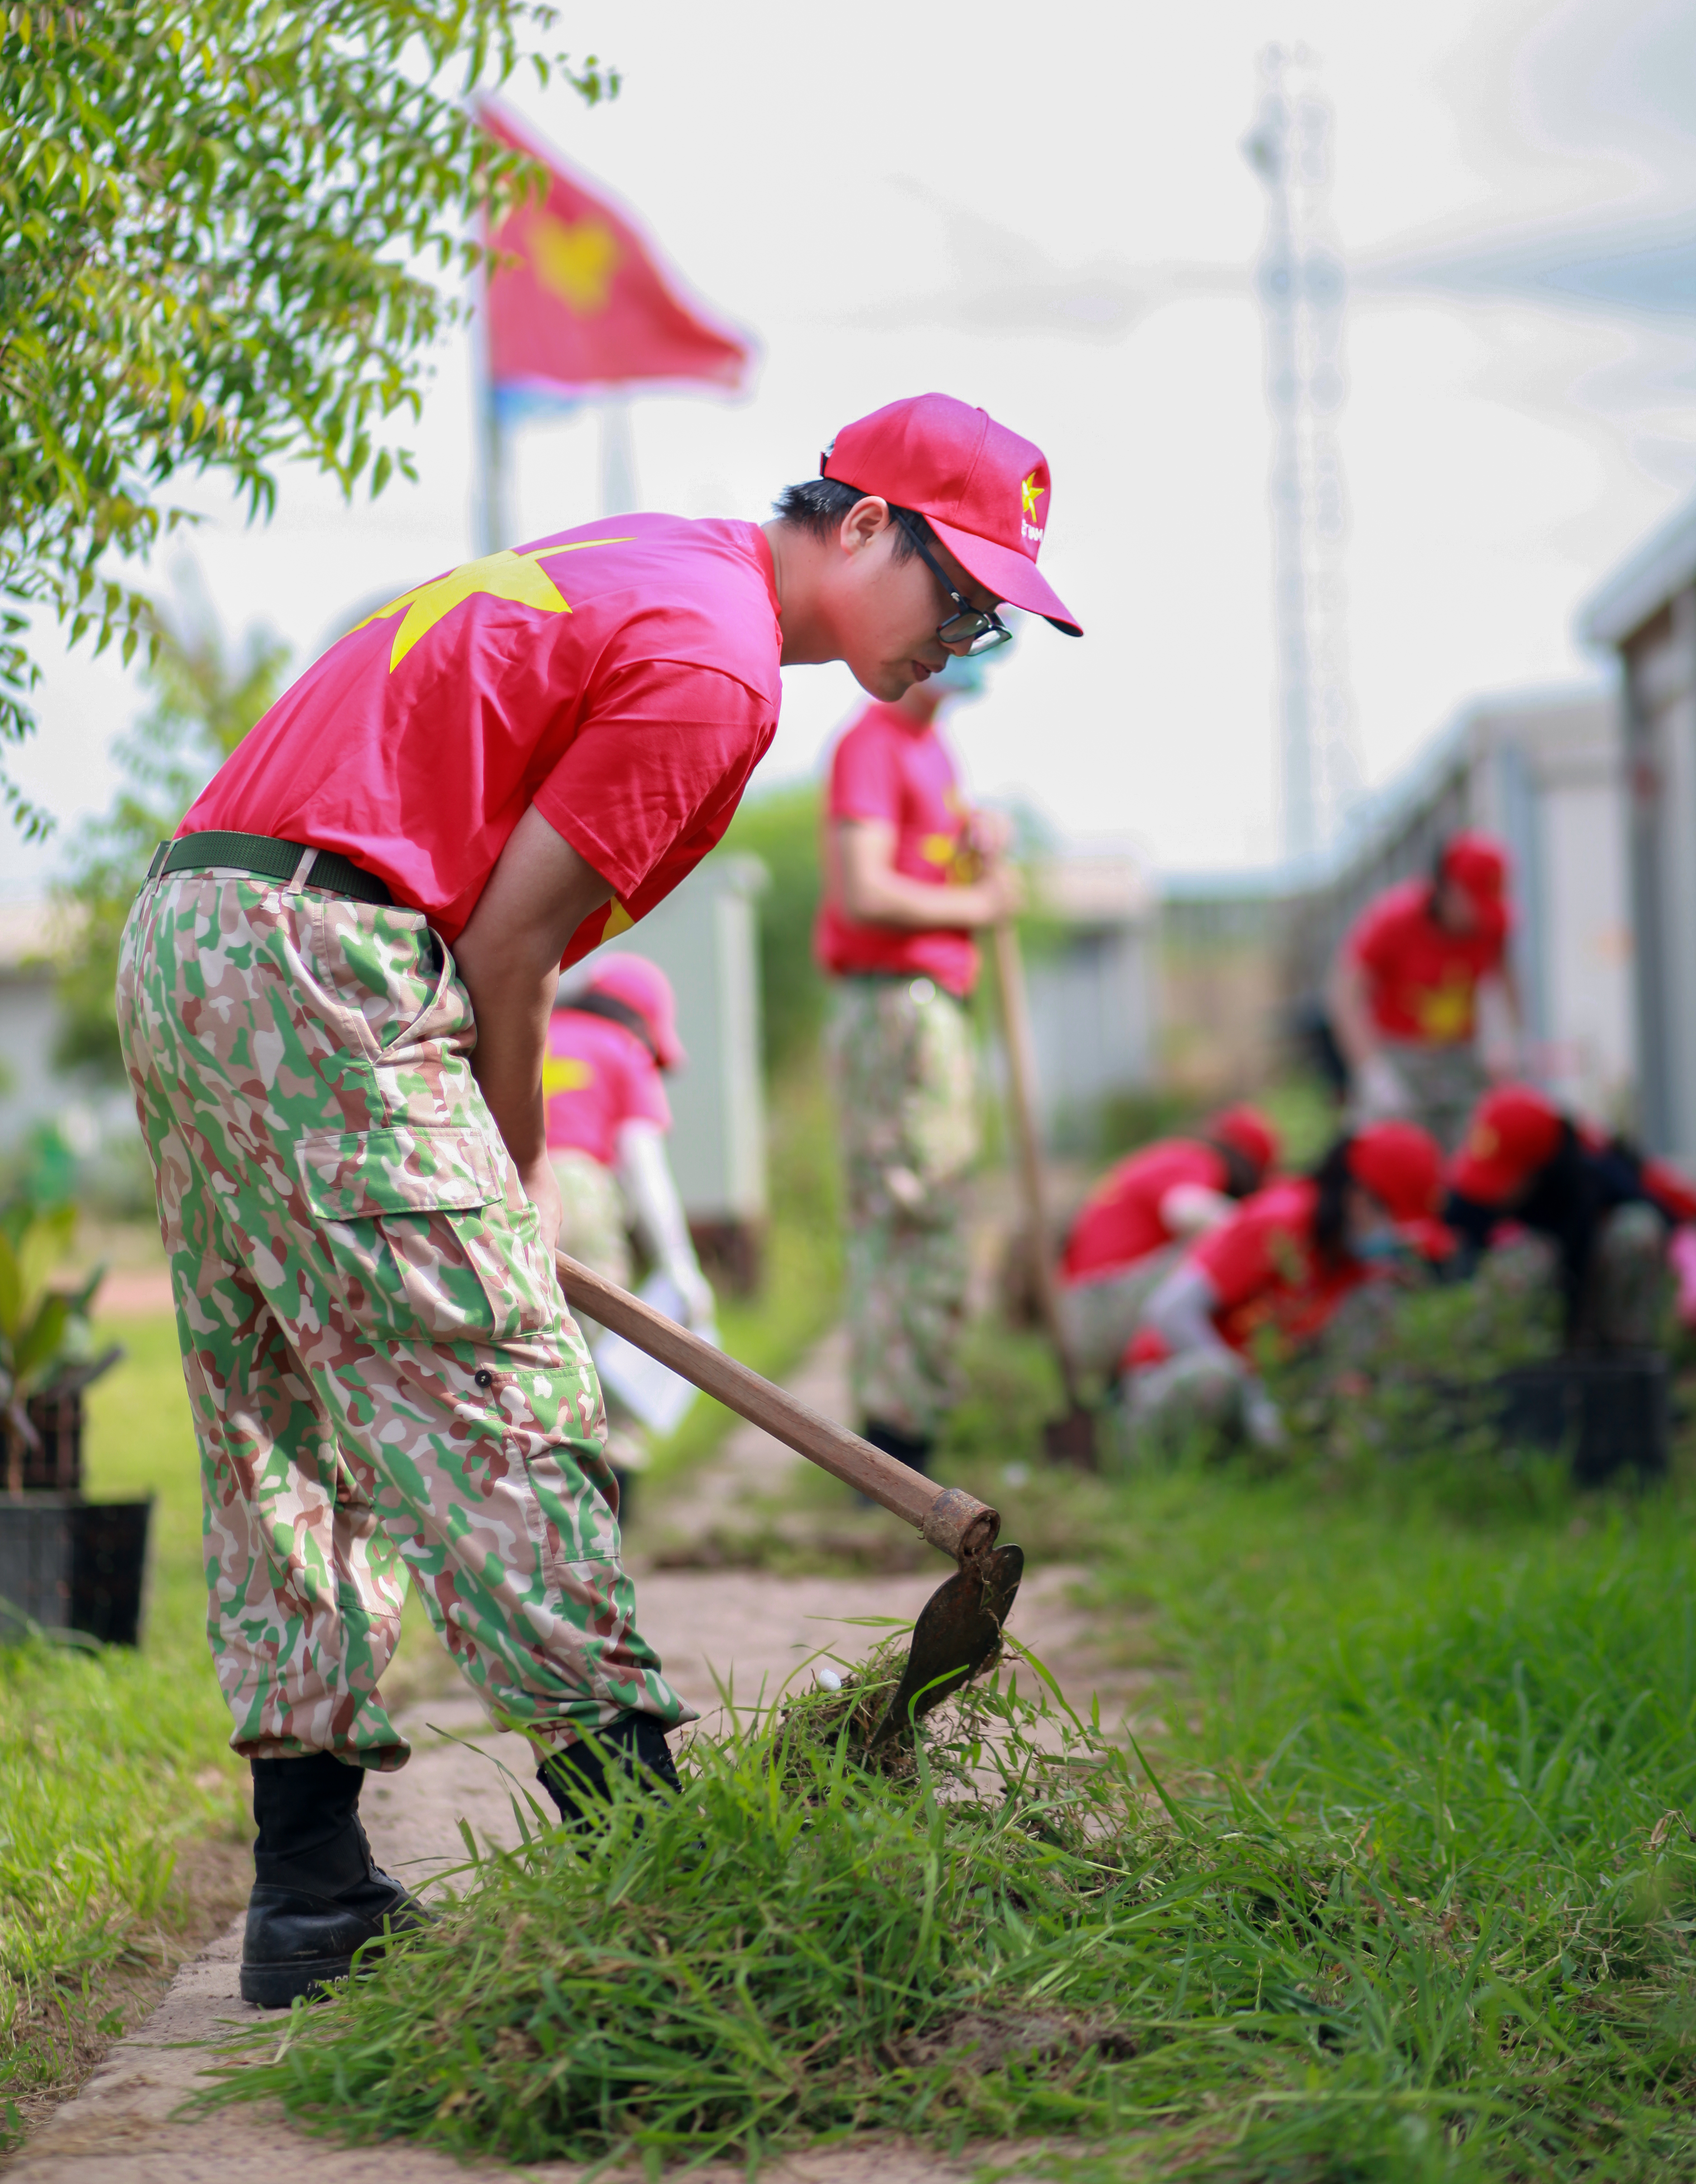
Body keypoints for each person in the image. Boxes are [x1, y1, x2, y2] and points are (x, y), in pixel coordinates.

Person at [115, 390, 1080, 2006]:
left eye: (993, 620)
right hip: (334, 950)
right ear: (859, 525)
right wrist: (513, 1174)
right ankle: (649, 1850)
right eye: (961, 594)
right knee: (505, 1394)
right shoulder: (717, 667)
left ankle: (310, 1887)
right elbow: (507, 947)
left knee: (284, 1415)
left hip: (201, 924)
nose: (965, 643)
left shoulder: (655, 561)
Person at [815, 643, 1019, 1476]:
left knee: (934, 1215)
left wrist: (975, 849)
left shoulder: (934, 750)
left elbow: (921, 866)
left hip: (932, 1002)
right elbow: (862, 889)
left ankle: (911, 1419)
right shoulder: (872, 744)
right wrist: (978, 903)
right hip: (896, 1002)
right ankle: (893, 1447)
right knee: (910, 1215)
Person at [1123, 1120, 1445, 1454]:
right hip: (1166, 1385)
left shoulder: (1346, 1259)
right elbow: (1169, 1311)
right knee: (1218, 1380)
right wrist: (1253, 1399)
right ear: (1360, 1198)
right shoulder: (1284, 1219)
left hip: (1253, 1392)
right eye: (1393, 1224)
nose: (1393, 1243)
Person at [544, 952, 717, 1514]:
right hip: (581, 1194)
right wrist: (678, 1263)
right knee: (605, 1354)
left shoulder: (535, 1031)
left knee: (538, 1349)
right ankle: (615, 1509)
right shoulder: (623, 1050)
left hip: (507, 1187)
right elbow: (644, 1167)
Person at [1445, 1084, 1696, 1352]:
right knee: (1522, 1256)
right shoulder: (1472, 1197)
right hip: (1534, 1330)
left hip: (1595, 1291)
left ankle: (1625, 1361)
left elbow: (1669, 1211)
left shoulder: (1596, 1172)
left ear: (1536, 1172)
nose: (1491, 1194)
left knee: (1635, 1230)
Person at [1058, 1106, 1282, 1381]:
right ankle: (1226, 1375)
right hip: (1099, 1308)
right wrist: (1254, 1227)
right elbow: (1184, 1210)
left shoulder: (1170, 1156)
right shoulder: (1200, 1159)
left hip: (1085, 1311)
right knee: (1214, 1257)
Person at [1326, 830, 1518, 1151]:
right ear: (1449, 890)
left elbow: (1508, 979)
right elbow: (1344, 996)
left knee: (1470, 1154)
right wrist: (1372, 1071)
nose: (1477, 918)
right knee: (1394, 1154)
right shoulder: (1393, 920)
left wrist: (1511, 1040)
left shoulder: (1490, 927)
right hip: (1400, 1058)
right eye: (1473, 902)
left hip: (1460, 1058)